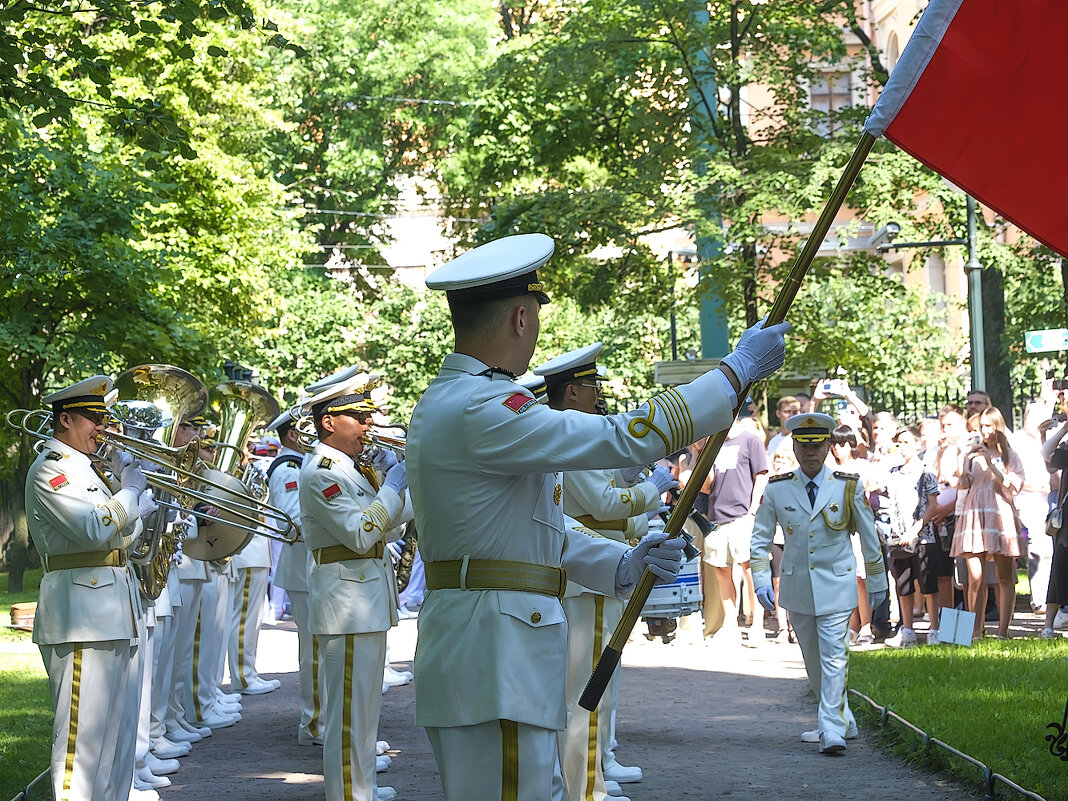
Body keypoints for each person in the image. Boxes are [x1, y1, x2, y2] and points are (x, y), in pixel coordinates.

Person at [407, 232, 789, 799]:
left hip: (495, 651)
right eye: (534, 313)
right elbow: (621, 437)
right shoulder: (481, 406)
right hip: (495, 655)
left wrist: (621, 563)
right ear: (518, 318)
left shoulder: (470, 402)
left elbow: (533, 531)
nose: (535, 329)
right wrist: (732, 373)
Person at [536, 342, 673, 801]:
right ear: (571, 392)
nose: (598, 393)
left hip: (596, 569)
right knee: (586, 690)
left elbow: (607, 508)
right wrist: (649, 491)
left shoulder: (572, 430)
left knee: (599, 687)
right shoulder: (569, 434)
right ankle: (584, 790)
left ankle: (589, 780)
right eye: (591, 385)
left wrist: (631, 483)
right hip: (584, 581)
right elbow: (600, 505)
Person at [26, 376, 152, 801]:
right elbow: (92, 528)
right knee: (81, 749)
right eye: (95, 419)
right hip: (81, 617)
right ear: (65, 419)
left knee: (112, 745)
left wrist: (137, 509)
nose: (104, 428)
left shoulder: (85, 469)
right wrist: (131, 495)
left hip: (113, 611)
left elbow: (119, 543)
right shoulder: (50, 469)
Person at [299, 374, 412, 801]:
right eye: (360, 417)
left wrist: (403, 486)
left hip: (364, 598)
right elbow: (362, 532)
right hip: (345, 599)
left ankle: (361, 786)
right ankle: (348, 794)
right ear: (329, 421)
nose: (369, 426)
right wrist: (392, 488)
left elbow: (392, 522)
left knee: (364, 708)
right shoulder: (320, 473)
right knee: (348, 712)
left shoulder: (350, 469)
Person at [750, 412, 887, 755]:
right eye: (803, 445)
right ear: (794, 447)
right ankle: (844, 719)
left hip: (838, 585)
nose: (810, 452)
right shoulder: (778, 488)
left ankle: (830, 728)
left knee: (833, 656)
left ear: (828, 446)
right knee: (813, 660)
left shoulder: (847, 484)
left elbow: (869, 537)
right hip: (797, 587)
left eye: (817, 445)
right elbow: (760, 537)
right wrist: (761, 576)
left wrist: (876, 579)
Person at [265, 409, 323, 745]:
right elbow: (293, 519)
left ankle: (324, 721)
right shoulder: (288, 468)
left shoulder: (301, 465)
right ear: (292, 435)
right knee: (314, 653)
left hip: (311, 568)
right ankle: (313, 723)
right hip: (304, 568)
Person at [951, 406, 1024, 639]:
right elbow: (962, 483)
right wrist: (962, 457)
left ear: (996, 426)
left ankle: (1003, 631)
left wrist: (990, 462)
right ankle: (975, 631)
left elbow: (1012, 486)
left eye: (987, 426)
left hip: (999, 513)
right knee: (975, 576)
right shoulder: (973, 453)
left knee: (1004, 576)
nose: (982, 431)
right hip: (974, 512)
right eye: (980, 426)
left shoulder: (1009, 454)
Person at [704, 413, 768, 647]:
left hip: (743, 515)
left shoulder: (750, 440)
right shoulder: (715, 443)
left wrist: (752, 510)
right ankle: (730, 626)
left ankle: (757, 625)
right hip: (716, 515)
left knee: (749, 570)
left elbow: (761, 475)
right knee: (721, 571)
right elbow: (708, 482)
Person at [882, 426, 949, 647]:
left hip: (923, 538)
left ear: (918, 445)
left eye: (907, 442)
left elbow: (933, 505)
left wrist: (916, 529)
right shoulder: (892, 473)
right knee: (903, 584)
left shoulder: (925, 472)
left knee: (928, 583)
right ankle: (907, 629)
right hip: (898, 537)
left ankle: (935, 629)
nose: (902, 447)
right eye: (898, 443)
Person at [765, 395, 801, 461]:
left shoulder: (802, 440)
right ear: (778, 413)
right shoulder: (773, 442)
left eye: (795, 412)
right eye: (787, 412)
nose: (791, 416)